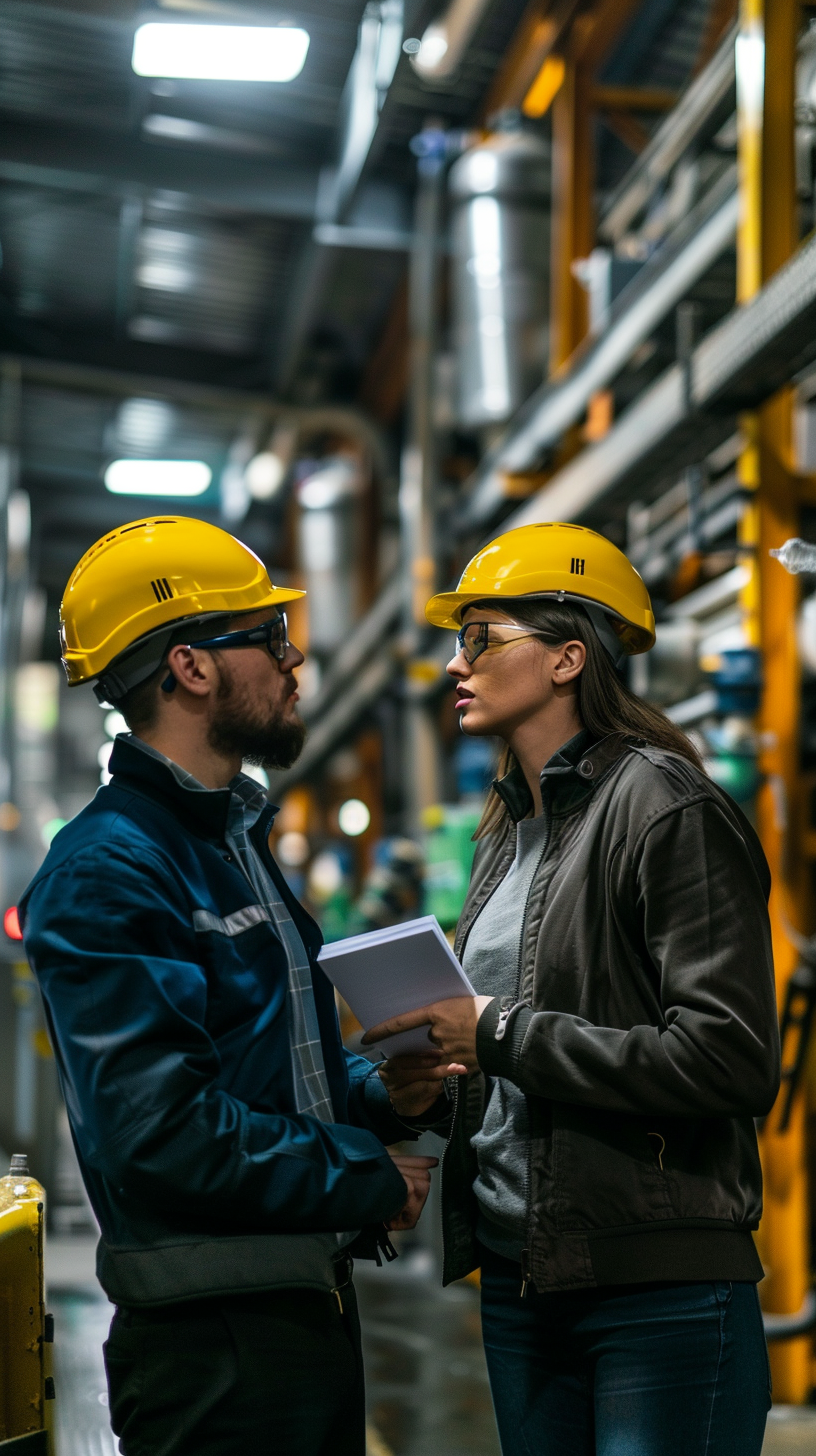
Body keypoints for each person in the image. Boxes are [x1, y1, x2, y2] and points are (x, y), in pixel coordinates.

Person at [20, 515, 439, 1456]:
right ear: (193, 668)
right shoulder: (108, 871)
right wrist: (360, 1178)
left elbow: (260, 1068)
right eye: (268, 640)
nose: (295, 662)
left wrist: (377, 1097)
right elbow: (158, 1133)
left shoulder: (229, 839)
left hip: (296, 1308)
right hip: (215, 1349)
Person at [367, 523, 780, 1456]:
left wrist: (499, 1034)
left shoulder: (664, 806)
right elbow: (517, 1054)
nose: (454, 664)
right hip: (525, 1279)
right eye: (455, 642)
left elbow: (731, 1057)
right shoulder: (507, 830)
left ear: (566, 657)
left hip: (655, 1291)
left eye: (480, 639)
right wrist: (437, 1077)